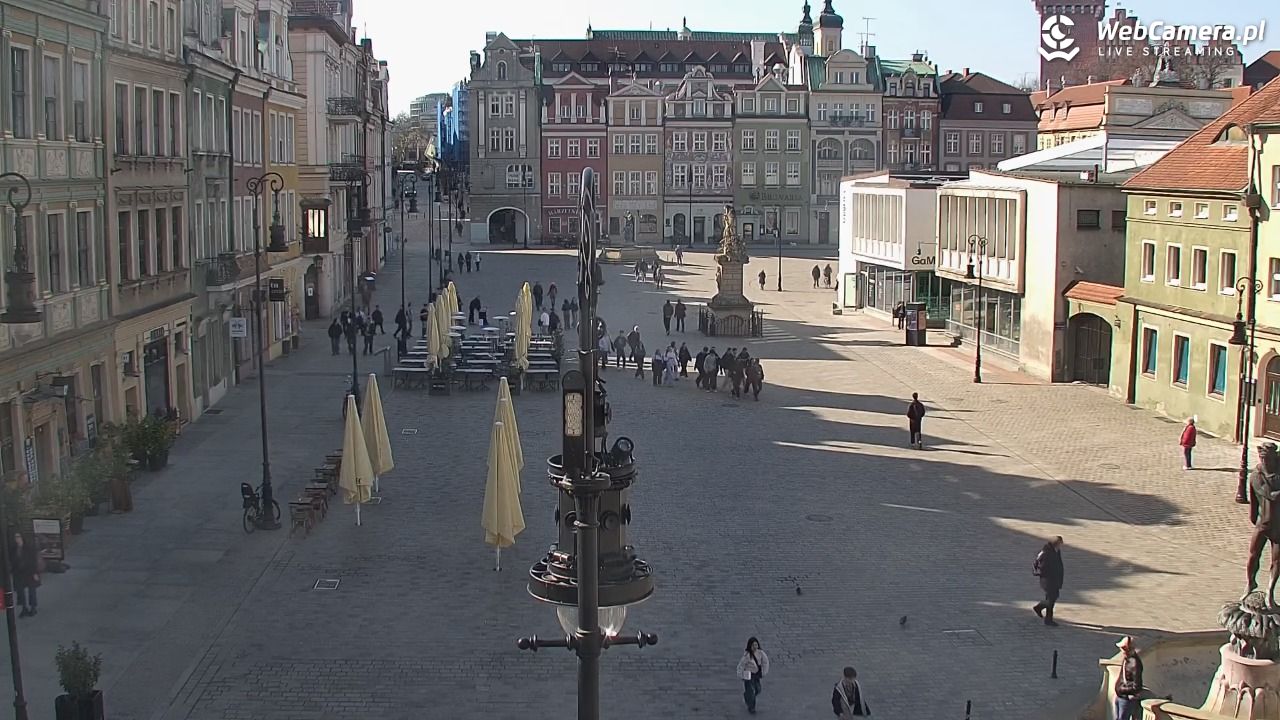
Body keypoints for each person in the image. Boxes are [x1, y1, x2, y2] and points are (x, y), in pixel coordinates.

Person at [1033, 536, 1065, 626]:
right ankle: (1048, 619)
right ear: (1056, 544)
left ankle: (1039, 608)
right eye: (1060, 544)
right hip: (1048, 580)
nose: (1061, 546)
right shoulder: (1047, 553)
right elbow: (1043, 568)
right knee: (1051, 599)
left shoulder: (1056, 550)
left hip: (1054, 579)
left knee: (1052, 598)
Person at [9, 531, 41, 617]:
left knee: (32, 591)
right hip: (18, 573)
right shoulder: (13, 549)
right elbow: (11, 561)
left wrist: (35, 573)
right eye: (15, 537)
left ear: (22, 537)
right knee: (20, 592)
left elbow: (34, 561)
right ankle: (24, 608)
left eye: (18, 537)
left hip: (29, 572)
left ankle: (33, 608)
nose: (17, 539)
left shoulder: (29, 548)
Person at [736, 637, 770, 714]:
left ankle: (747, 696)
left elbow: (765, 662)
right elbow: (741, 665)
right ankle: (752, 707)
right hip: (748, 675)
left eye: (756, 645)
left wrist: (764, 672)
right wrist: (741, 675)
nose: (755, 647)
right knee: (751, 692)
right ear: (750, 646)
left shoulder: (761, 653)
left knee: (758, 689)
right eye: (753, 645)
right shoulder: (747, 655)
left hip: (756, 675)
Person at [1114, 636, 1144, 720]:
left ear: (1127, 648)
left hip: (1126, 699)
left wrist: (1121, 689)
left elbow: (1137, 687)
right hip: (1121, 697)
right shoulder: (1127, 659)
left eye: (1123, 648)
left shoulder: (1134, 664)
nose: (1121, 651)